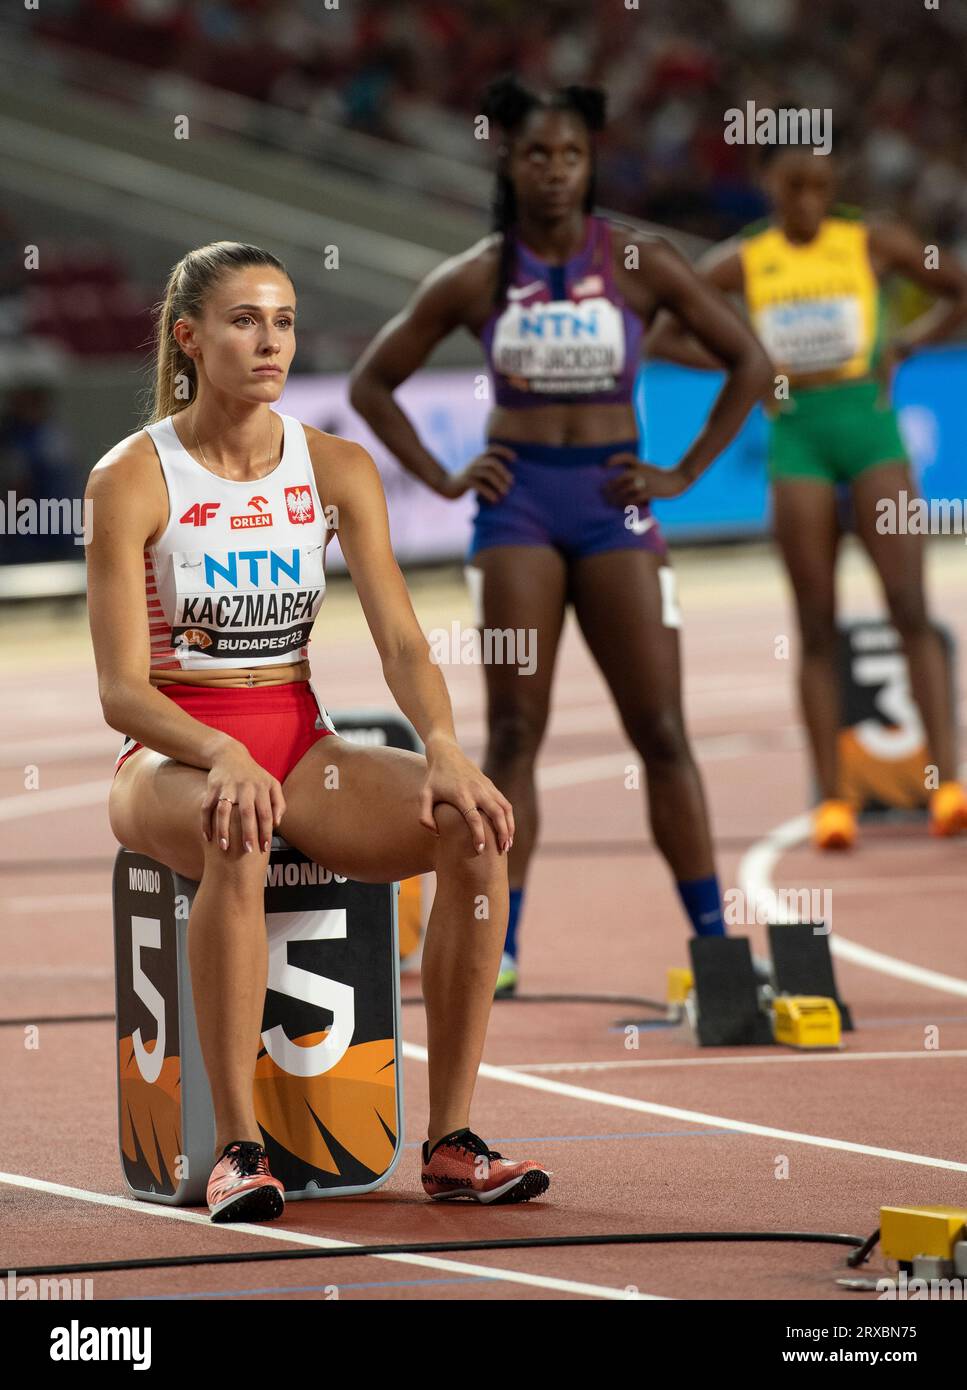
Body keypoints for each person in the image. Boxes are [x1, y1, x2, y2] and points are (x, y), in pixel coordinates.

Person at [85, 240, 550, 1222]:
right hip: (169, 755)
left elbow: (402, 642)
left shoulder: (334, 466)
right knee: (236, 828)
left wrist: (446, 751)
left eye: (284, 321)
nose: (270, 341)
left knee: (474, 827)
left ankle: (454, 1141)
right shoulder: (131, 478)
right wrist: (219, 753)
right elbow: (121, 693)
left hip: (299, 747)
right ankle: (237, 1151)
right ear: (189, 338)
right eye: (245, 320)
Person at [349, 77, 773, 994]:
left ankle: (715, 942)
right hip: (519, 511)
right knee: (512, 734)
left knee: (660, 728)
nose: (553, 171)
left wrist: (682, 473)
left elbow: (749, 361)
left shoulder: (639, 262)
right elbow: (372, 383)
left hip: (615, 501)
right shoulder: (478, 274)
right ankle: (499, 945)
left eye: (570, 155)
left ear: (591, 165)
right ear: (508, 157)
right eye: (536, 153)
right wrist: (442, 476)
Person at [646, 145, 967, 848]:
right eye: (793, 187)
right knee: (814, 622)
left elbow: (958, 286)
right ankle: (834, 801)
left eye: (819, 186)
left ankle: (946, 785)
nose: (806, 201)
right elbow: (663, 331)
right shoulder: (744, 258)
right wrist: (749, 370)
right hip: (797, 436)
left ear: (832, 188)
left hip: (869, 428)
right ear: (769, 187)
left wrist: (908, 345)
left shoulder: (871, 241)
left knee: (909, 606)